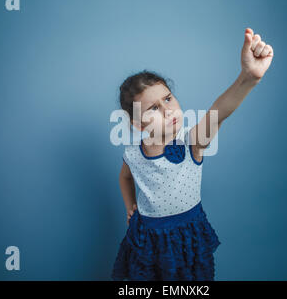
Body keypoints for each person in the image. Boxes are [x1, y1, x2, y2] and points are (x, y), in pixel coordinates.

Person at [112, 28, 274, 280]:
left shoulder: (192, 141)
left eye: (168, 98)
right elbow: (124, 177)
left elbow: (220, 110)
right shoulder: (133, 153)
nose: (168, 110)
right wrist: (129, 206)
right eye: (154, 107)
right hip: (146, 237)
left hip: (186, 235)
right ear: (137, 123)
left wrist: (249, 78)